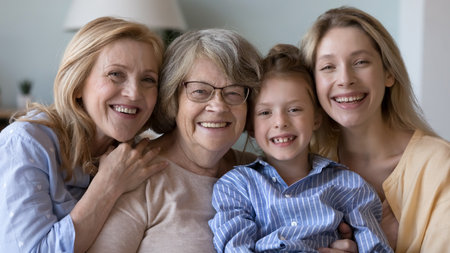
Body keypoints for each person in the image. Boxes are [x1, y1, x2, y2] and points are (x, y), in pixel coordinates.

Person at [0, 17, 168, 252]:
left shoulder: (134, 156)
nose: (133, 93)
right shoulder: (25, 143)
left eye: (148, 79)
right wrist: (109, 184)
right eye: (116, 74)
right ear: (78, 83)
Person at [86, 28, 262, 252]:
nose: (218, 106)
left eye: (234, 93)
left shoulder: (260, 172)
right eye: (200, 91)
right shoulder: (134, 174)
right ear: (173, 98)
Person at [208, 44, 392, 253]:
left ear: (316, 119)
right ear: (250, 126)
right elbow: (235, 248)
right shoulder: (237, 186)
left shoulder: (348, 185)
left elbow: (376, 247)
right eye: (265, 112)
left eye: (294, 109)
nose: (280, 122)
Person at [300, 6, 450, 252]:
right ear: (313, 84)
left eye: (360, 62)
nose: (345, 78)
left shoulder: (439, 165)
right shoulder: (302, 165)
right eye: (328, 67)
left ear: (389, 73)